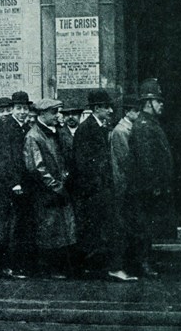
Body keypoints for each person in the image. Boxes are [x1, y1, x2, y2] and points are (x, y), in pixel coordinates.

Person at [72, 90, 137, 281]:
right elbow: (83, 164)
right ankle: (106, 269)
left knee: (104, 231)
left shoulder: (99, 126)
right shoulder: (87, 129)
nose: (110, 110)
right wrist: (99, 187)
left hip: (102, 189)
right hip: (95, 192)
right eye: (106, 107)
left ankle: (102, 269)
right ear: (97, 108)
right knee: (103, 230)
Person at [127, 78, 176, 278]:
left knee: (147, 225)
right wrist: (154, 185)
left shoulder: (150, 123)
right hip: (145, 187)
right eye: (158, 101)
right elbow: (146, 160)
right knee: (143, 226)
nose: (161, 104)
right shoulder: (144, 125)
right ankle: (143, 263)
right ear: (148, 103)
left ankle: (145, 260)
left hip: (149, 186)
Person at [23, 99, 76, 279]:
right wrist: (55, 185)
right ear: (42, 114)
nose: (58, 116)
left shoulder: (54, 133)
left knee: (60, 229)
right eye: (54, 112)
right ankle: (49, 269)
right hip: (46, 192)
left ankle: (59, 267)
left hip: (57, 189)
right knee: (48, 231)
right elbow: (36, 168)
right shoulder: (34, 136)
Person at [0, 91, 32, 278]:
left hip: (21, 185)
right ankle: (4, 267)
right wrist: (14, 182)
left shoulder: (25, 127)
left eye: (25, 108)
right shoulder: (5, 127)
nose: (22, 111)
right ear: (13, 109)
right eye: (19, 108)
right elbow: (5, 158)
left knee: (18, 226)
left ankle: (15, 265)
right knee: (6, 226)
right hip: (7, 186)